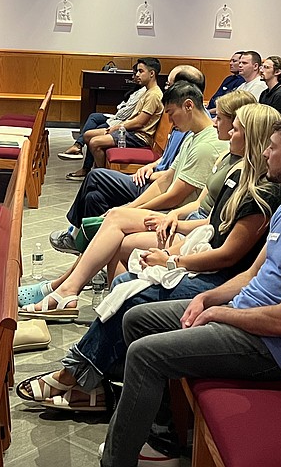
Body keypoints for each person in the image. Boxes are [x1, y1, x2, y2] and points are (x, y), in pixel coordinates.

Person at [97, 116, 281, 467]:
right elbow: (252, 274)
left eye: (273, 148)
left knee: (145, 355)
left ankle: (116, 461)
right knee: (137, 318)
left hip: (272, 350)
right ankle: (162, 430)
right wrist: (208, 298)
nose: (265, 153)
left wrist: (219, 314)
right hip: (244, 318)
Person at [15, 104, 281, 411]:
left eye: (236, 127)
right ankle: (91, 371)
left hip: (220, 279)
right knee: (123, 269)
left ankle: (75, 372)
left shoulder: (264, 194)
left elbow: (228, 256)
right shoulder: (237, 175)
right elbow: (212, 226)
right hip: (202, 257)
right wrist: (174, 248)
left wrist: (172, 260)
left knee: (131, 294)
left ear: (252, 136)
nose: (228, 130)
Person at [21, 81, 227, 316]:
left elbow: (179, 198)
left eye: (221, 119)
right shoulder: (193, 137)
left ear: (188, 106)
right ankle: (69, 285)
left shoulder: (209, 146)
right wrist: (131, 206)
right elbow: (167, 179)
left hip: (179, 219)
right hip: (177, 215)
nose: (216, 123)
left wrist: (142, 211)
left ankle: (67, 286)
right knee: (101, 199)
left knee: (112, 218)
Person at [48, 66, 204, 255]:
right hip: (154, 176)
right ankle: (87, 252)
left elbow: (174, 188)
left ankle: (76, 236)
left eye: (170, 84)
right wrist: (151, 166)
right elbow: (169, 162)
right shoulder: (187, 128)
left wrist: (129, 208)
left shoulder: (195, 132)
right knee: (93, 197)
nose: (166, 88)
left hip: (155, 182)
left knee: (96, 176)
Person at [65, 58, 163, 180]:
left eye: (140, 71)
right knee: (88, 135)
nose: (137, 74)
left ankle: (103, 178)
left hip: (139, 137)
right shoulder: (148, 92)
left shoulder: (154, 95)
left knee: (95, 143)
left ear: (152, 73)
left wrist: (117, 127)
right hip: (131, 132)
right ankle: (93, 170)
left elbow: (140, 122)